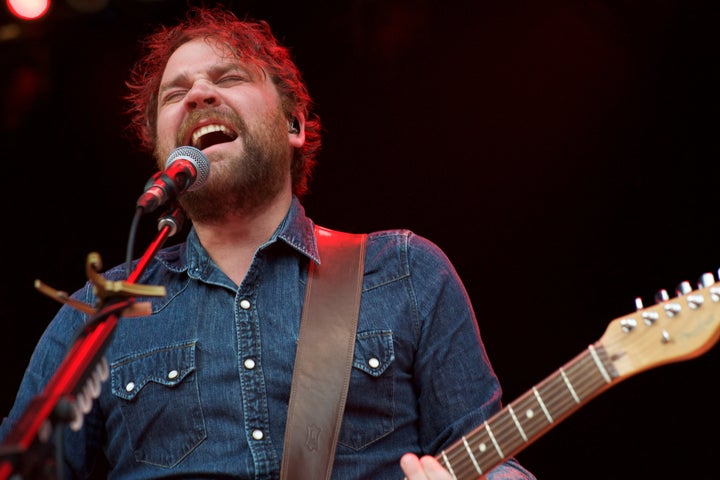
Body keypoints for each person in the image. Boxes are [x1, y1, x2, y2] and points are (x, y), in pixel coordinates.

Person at [0, 5, 536, 480]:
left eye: (227, 78)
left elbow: (494, 457)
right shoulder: (99, 313)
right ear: (161, 152)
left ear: (294, 124)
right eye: (175, 93)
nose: (199, 95)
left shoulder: (403, 272)